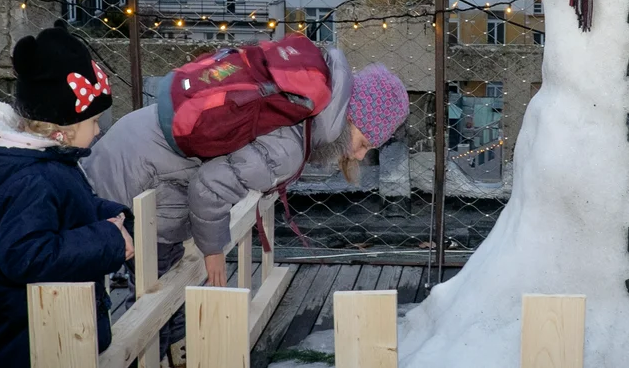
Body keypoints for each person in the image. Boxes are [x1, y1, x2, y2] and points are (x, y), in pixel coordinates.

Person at [82, 40, 410, 367]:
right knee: (152, 298)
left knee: (163, 284)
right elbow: (209, 188)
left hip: (136, 141)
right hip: (138, 175)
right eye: (364, 142)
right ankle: (150, 358)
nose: (360, 155)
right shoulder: (291, 143)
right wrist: (213, 251)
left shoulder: (302, 99)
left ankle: (174, 351)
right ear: (350, 119)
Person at [0, 22, 134, 368]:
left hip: (55, 324)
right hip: (33, 339)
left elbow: (64, 210)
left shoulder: (50, 164)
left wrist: (112, 215)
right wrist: (108, 238)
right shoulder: (34, 179)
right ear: (63, 130)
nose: (98, 129)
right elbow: (28, 256)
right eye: (93, 121)